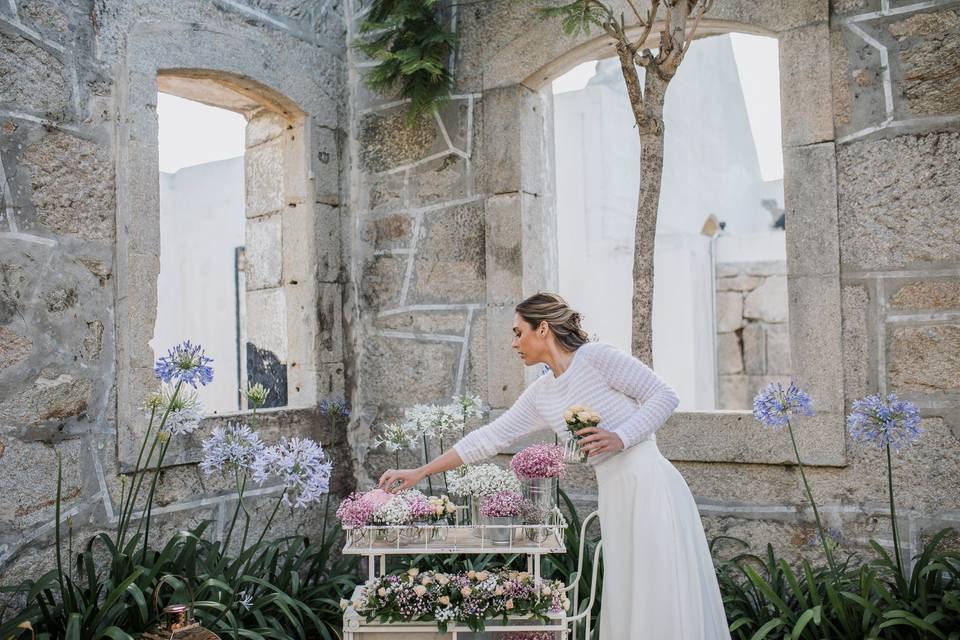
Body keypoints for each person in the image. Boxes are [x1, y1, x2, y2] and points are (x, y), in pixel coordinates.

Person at [378, 292, 731, 639]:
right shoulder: (541, 394)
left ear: (542, 328)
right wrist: (421, 472)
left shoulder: (597, 357)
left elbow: (665, 395)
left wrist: (620, 437)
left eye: (519, 332)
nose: (514, 344)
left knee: (659, 588)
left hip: (649, 484)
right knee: (629, 592)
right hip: (614, 493)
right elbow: (489, 438)